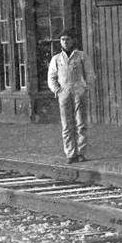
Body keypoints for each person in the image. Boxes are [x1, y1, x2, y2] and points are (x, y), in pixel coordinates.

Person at [47, 30, 91, 163]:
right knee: (67, 125)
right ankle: (71, 153)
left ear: (72, 40)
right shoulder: (56, 59)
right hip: (64, 93)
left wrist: (85, 87)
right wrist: (57, 90)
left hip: (79, 92)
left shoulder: (81, 56)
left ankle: (81, 152)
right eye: (62, 39)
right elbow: (51, 77)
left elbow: (90, 74)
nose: (65, 42)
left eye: (67, 39)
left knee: (81, 123)